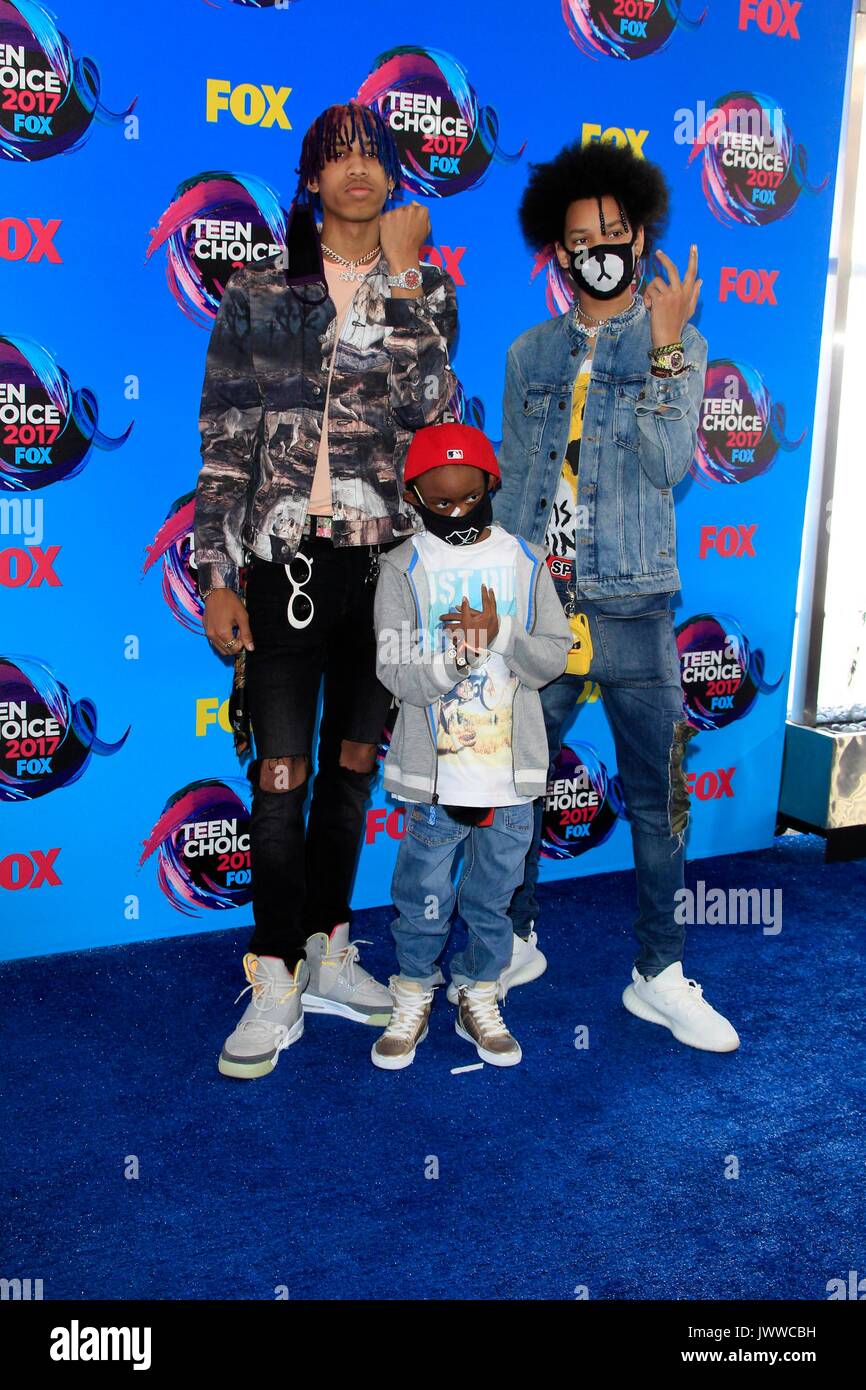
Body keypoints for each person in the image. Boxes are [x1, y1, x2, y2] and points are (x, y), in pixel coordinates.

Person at [194, 101, 458, 1078]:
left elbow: (434, 420)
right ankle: (270, 972)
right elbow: (225, 443)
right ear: (310, 180)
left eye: (373, 155)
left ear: (394, 178)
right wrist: (217, 572)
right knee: (279, 779)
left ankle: (325, 949)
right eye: (337, 155)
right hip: (282, 565)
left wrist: (404, 280)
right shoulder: (263, 291)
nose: (356, 169)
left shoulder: (425, 286)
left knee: (352, 770)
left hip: (382, 566)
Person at [496, 139, 739, 1053]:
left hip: (635, 601)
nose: (599, 248)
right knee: (515, 781)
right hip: (544, 603)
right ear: (558, 252)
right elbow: (519, 482)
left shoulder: (677, 338)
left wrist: (671, 350)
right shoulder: (528, 354)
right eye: (579, 237)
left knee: (654, 795)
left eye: (615, 231)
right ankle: (512, 938)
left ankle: (660, 972)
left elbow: (672, 461)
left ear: (639, 235)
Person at [370, 421, 571, 1070]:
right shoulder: (404, 566)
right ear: (414, 497)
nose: (456, 513)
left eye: (467, 498)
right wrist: (459, 656)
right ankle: (413, 993)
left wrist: (502, 630)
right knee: (422, 901)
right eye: (439, 502)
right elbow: (394, 672)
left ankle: (479, 993)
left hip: (510, 781)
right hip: (436, 784)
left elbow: (550, 662)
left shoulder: (525, 559)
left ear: (491, 484)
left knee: (494, 901)